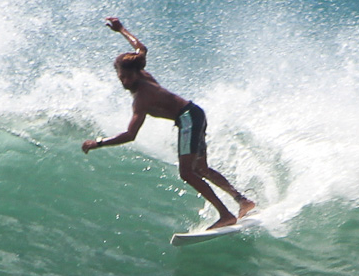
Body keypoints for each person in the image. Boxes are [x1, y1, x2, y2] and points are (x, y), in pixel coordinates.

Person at [83, 17, 255, 230]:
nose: (124, 81)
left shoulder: (142, 98)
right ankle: (243, 201)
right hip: (195, 113)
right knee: (200, 168)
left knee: (187, 172)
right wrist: (122, 30)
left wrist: (97, 143)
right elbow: (141, 47)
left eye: (127, 77)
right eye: (121, 77)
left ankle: (226, 215)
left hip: (188, 118)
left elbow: (130, 135)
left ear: (136, 73)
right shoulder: (142, 72)